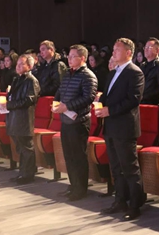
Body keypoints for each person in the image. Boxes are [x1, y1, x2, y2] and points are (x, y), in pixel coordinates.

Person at [97, 38, 146, 221]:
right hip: (111, 126)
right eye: (113, 49)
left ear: (128, 52)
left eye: (117, 50)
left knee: (129, 168)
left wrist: (110, 110)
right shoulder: (113, 72)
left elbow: (133, 100)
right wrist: (100, 101)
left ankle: (135, 204)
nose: (114, 53)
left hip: (125, 127)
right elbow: (108, 96)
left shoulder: (135, 72)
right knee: (116, 167)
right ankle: (120, 200)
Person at [53, 45, 98, 201]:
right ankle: (73, 186)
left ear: (82, 58)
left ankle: (81, 189)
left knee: (78, 156)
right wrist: (56, 103)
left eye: (73, 56)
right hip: (66, 120)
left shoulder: (88, 75)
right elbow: (61, 91)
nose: (69, 59)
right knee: (69, 156)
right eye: (69, 56)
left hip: (79, 121)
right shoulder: (68, 73)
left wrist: (68, 106)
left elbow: (88, 98)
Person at [5, 54, 40, 185]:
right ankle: (22, 173)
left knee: (27, 148)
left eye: (22, 64)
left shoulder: (31, 80)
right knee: (20, 148)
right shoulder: (17, 79)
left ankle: (28, 175)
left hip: (24, 118)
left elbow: (29, 100)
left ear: (29, 66)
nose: (18, 66)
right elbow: (11, 97)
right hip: (14, 117)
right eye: (17, 64)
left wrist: (10, 104)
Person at [141, 37, 159, 105]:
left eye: (149, 47)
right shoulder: (143, 65)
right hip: (141, 101)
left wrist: (146, 96)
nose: (146, 50)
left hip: (152, 103)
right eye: (145, 47)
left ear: (157, 50)